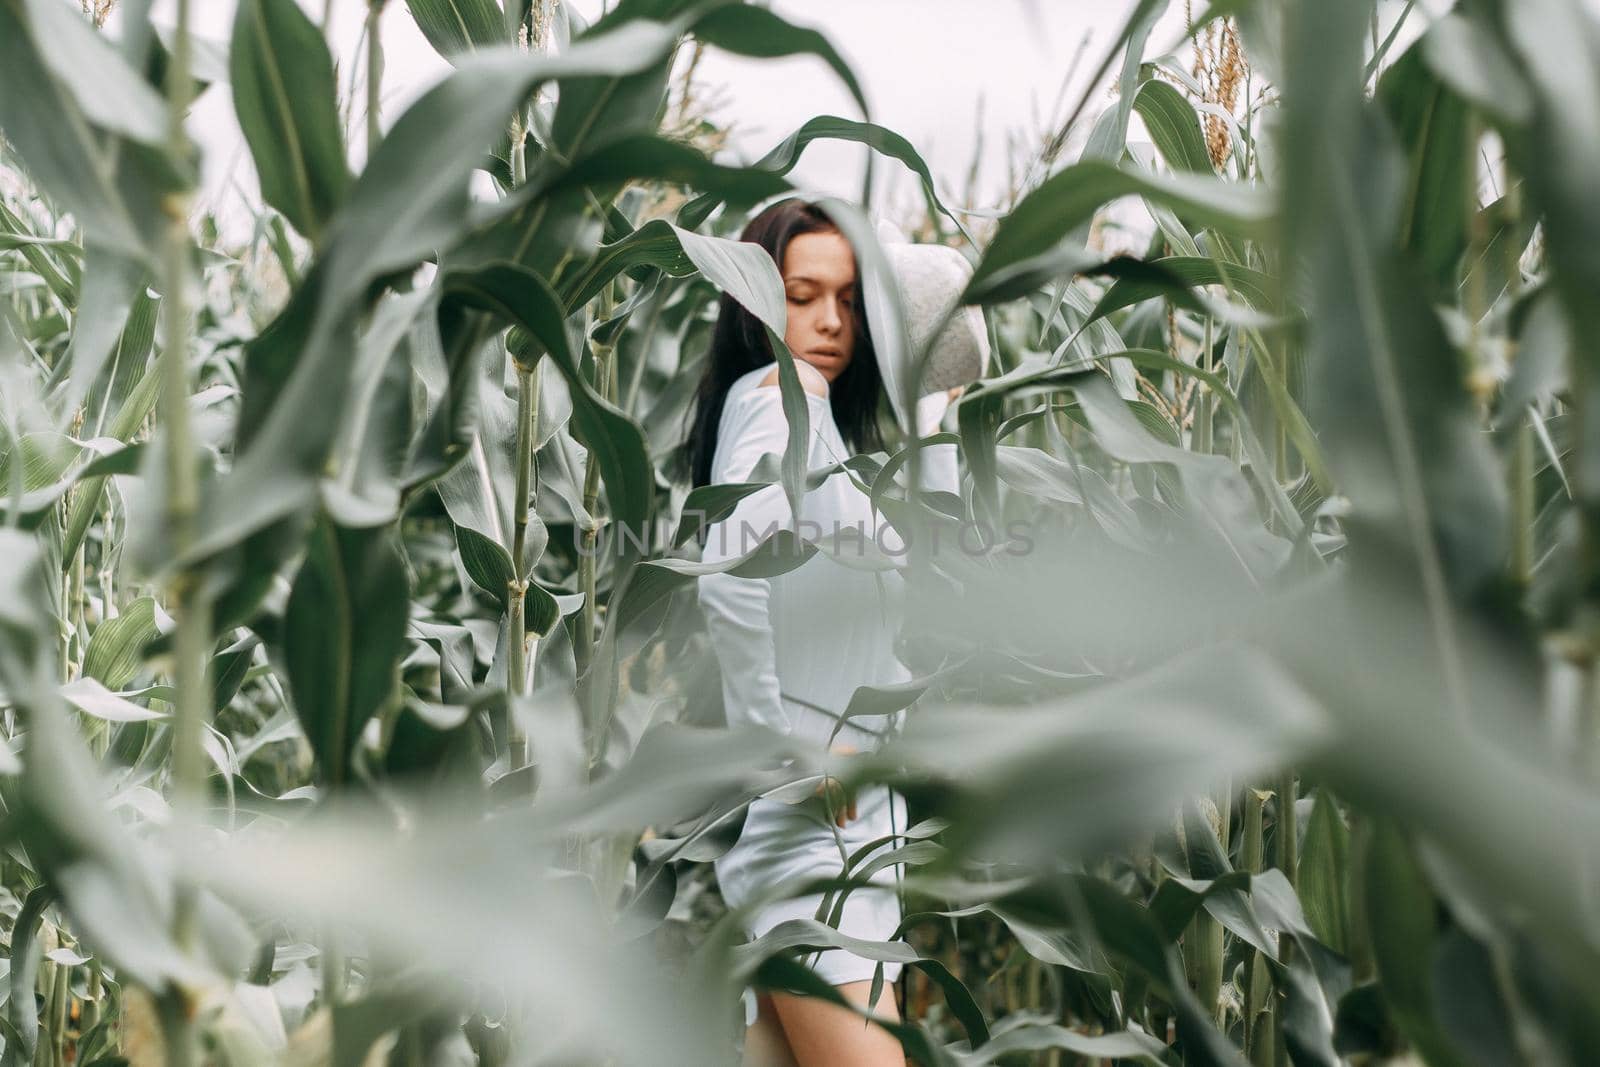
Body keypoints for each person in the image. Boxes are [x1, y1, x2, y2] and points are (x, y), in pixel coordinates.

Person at [675, 198, 987, 1066]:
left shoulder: (797, 415)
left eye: (850, 300)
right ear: (755, 303)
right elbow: (729, 564)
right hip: (818, 839)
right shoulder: (782, 403)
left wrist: (933, 406)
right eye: (803, 294)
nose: (828, 321)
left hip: (832, 836)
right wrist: (785, 749)